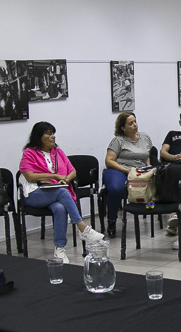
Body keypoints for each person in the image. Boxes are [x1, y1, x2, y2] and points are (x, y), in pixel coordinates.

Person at [20, 121, 105, 263]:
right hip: (34, 193)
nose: (52, 137)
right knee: (62, 193)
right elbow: (29, 176)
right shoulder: (29, 153)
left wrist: (65, 179)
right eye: (48, 134)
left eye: (53, 134)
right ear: (38, 136)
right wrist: (55, 176)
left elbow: (72, 171)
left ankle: (59, 248)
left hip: (53, 191)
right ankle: (83, 229)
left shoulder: (58, 152)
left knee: (60, 208)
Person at [103, 112, 153, 238]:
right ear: (123, 128)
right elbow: (109, 161)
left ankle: (154, 210)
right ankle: (111, 221)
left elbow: (147, 155)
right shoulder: (118, 140)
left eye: (135, 121)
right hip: (119, 169)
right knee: (116, 189)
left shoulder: (145, 137)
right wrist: (126, 171)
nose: (135, 125)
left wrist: (148, 168)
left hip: (139, 170)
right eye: (130, 123)